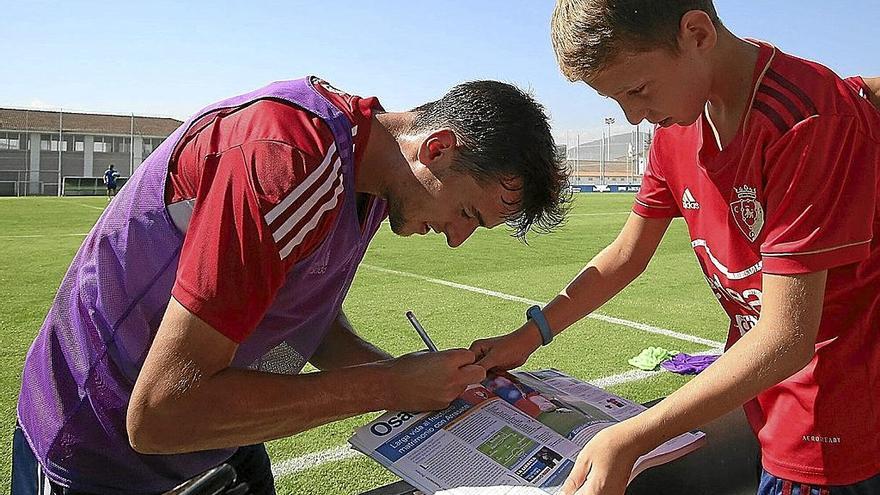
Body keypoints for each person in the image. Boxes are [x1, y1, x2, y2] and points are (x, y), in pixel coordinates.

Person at [12, 76, 568, 494]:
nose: (456, 239)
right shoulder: (287, 162)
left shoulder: (374, 177)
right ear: (438, 149)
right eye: (467, 212)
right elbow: (160, 414)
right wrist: (389, 385)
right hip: (101, 451)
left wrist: (425, 382)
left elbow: (306, 316)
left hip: (222, 433)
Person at [470, 2, 880, 494]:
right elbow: (625, 256)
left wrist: (635, 436)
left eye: (637, 90)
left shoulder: (805, 120)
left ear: (697, 33)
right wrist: (529, 336)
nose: (634, 116)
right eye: (616, 100)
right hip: (768, 404)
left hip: (833, 422)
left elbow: (787, 338)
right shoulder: (677, 128)